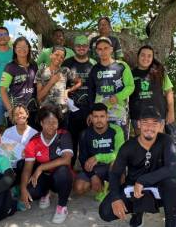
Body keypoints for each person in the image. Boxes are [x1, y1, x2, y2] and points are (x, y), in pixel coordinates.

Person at [98, 106, 176, 227]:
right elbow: (115, 173)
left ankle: (171, 224)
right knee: (105, 212)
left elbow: (173, 168)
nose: (150, 127)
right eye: (145, 123)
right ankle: (137, 213)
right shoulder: (128, 146)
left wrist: (143, 180)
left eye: (154, 123)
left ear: (160, 125)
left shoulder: (166, 141)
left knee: (173, 185)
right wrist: (116, 198)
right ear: (138, 124)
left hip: (158, 187)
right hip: (133, 189)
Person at [20, 105, 74, 224]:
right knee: (31, 193)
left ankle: (62, 206)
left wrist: (41, 167)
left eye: (54, 122)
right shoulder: (34, 140)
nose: (51, 126)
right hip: (45, 177)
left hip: (60, 178)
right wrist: (23, 188)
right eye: (47, 122)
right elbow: (27, 168)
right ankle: (45, 193)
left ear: (58, 123)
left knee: (63, 171)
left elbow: (66, 160)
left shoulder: (64, 135)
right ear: (41, 123)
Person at [74, 103, 124, 201]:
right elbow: (83, 158)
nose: (99, 120)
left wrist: (98, 157)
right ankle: (101, 185)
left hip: (110, 165)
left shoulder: (116, 130)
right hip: (95, 168)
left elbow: (120, 153)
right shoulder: (85, 134)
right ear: (91, 118)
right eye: (96, 117)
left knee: (117, 165)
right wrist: (93, 176)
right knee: (79, 188)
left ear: (107, 117)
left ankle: (109, 189)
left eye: (102, 116)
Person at [88, 37, 135, 138]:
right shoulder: (94, 69)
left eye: (106, 48)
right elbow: (91, 92)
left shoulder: (122, 66)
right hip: (100, 115)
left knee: (121, 144)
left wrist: (118, 96)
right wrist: (91, 112)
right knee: (103, 143)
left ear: (111, 49)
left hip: (119, 113)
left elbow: (131, 86)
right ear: (96, 51)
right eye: (100, 49)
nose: (103, 51)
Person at [62, 35, 96, 166]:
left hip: (89, 109)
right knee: (71, 142)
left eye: (84, 45)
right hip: (71, 110)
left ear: (88, 47)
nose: (81, 48)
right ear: (74, 47)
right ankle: (69, 173)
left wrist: (94, 110)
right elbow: (61, 85)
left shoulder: (94, 64)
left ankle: (89, 172)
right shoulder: (67, 63)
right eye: (78, 45)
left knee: (88, 142)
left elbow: (97, 87)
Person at [129, 45, 175, 135]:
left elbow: (169, 92)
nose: (146, 58)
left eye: (149, 56)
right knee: (142, 146)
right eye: (143, 55)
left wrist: (171, 112)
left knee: (157, 145)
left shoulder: (159, 73)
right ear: (137, 56)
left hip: (158, 116)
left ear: (152, 58)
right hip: (138, 117)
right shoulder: (130, 74)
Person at [36, 46, 81, 129]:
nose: (58, 58)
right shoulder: (41, 72)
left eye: (61, 57)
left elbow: (79, 82)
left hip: (62, 113)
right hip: (46, 113)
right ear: (51, 55)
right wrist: (51, 82)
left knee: (62, 138)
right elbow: (39, 97)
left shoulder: (65, 70)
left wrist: (68, 90)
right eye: (56, 55)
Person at [0, 36, 39, 129]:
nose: (22, 49)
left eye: (25, 46)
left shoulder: (34, 65)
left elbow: (37, 85)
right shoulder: (10, 67)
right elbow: (3, 90)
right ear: (15, 49)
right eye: (19, 47)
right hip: (17, 110)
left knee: (33, 138)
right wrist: (10, 110)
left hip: (33, 109)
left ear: (29, 48)